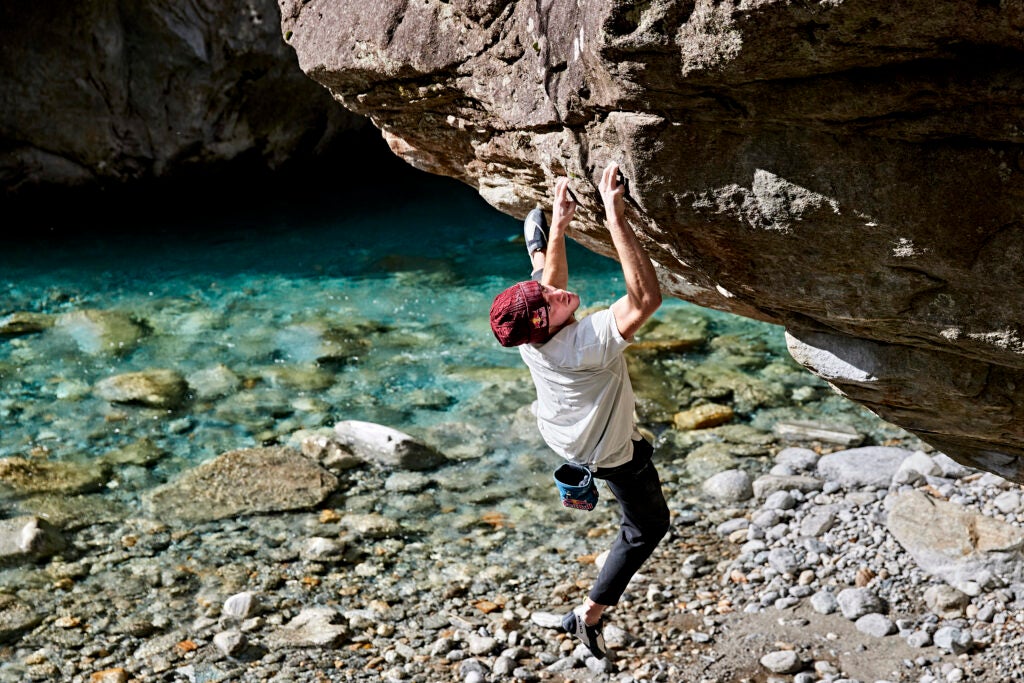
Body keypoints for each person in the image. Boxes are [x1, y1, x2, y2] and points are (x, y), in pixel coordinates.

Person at [488, 162, 670, 660]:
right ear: (545, 326)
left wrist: (560, 226)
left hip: (564, 431)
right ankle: (586, 617)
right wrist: (615, 217)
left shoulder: (529, 334)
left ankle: (536, 240)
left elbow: (549, 288)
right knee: (647, 528)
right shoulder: (582, 344)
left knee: (542, 276)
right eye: (548, 303)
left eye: (544, 295)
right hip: (604, 449)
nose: (559, 294)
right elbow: (646, 299)